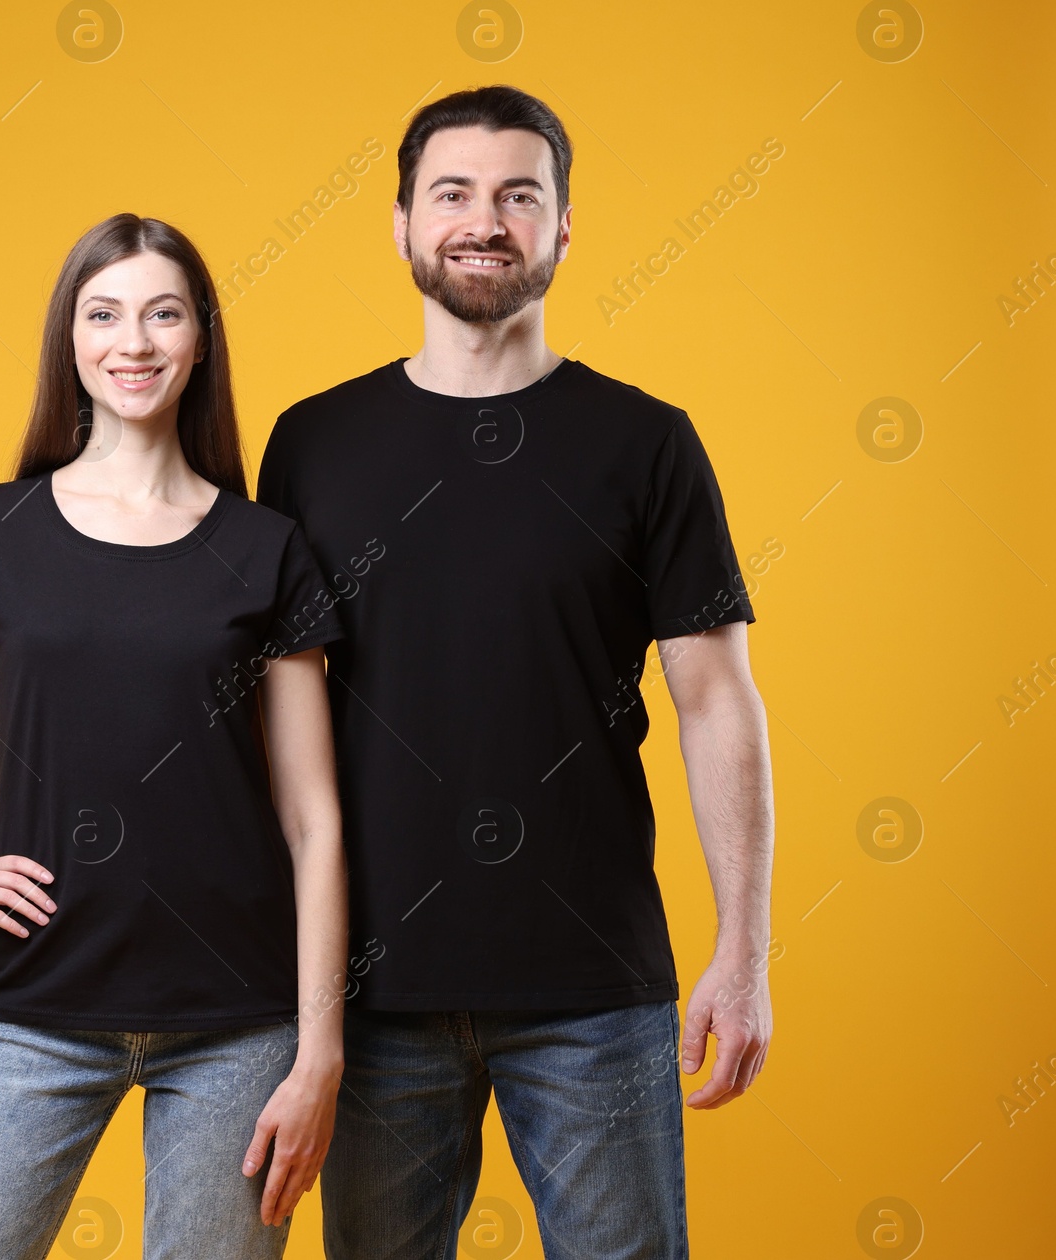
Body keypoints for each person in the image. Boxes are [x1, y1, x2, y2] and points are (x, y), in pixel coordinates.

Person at [256, 85, 776, 1258]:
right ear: (398, 224)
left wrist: (741, 959)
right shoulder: (309, 443)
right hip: (369, 997)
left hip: (593, 991)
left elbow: (715, 701)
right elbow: (271, 726)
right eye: (451, 194)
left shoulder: (647, 443)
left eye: (516, 196)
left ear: (561, 225)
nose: (481, 221)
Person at [0, 213, 348, 1260]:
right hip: (33, 1010)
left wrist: (319, 1050)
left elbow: (314, 821)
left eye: (162, 314)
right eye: (104, 314)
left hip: (238, 1024)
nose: (132, 342)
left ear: (198, 341)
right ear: (70, 340)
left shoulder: (264, 549)